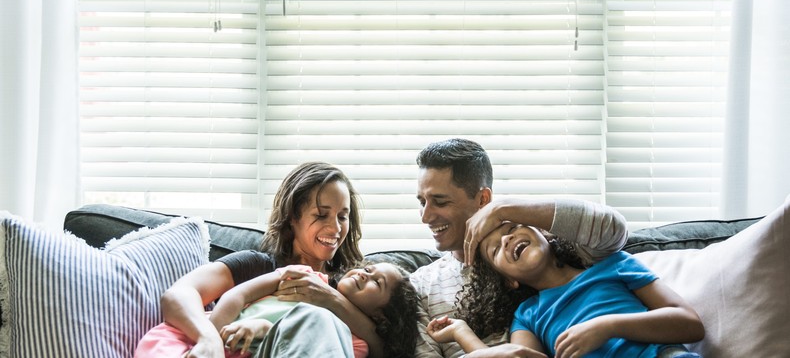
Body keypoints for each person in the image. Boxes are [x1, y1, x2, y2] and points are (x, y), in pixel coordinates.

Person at [136, 161, 385, 358]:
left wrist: (330, 299)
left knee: (320, 320)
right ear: (292, 217)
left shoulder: (351, 288)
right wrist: (208, 339)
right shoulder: (259, 265)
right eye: (321, 215)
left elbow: (383, 350)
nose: (335, 228)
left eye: (343, 217)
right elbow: (179, 295)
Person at [410, 138, 629, 358]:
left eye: (440, 201)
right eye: (422, 202)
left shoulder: (543, 250)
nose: (426, 217)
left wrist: (503, 209)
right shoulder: (420, 287)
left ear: (483, 199)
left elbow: (613, 230)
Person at [426, 222, 705, 358]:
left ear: (544, 234)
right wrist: (461, 332)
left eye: (511, 228)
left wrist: (607, 326)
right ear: (509, 280)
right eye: (496, 248)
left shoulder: (612, 265)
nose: (508, 238)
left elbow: (690, 325)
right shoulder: (527, 315)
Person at [138, 262, 419, 358]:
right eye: (367, 269)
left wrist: (261, 330)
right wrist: (213, 340)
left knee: (319, 318)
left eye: (376, 282)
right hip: (193, 342)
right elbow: (239, 294)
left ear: (382, 315)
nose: (364, 275)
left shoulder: (354, 342)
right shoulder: (304, 275)